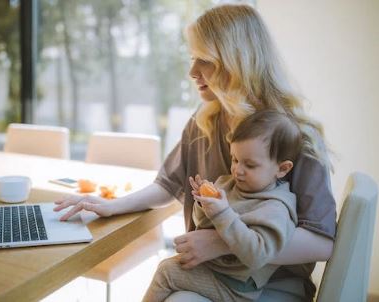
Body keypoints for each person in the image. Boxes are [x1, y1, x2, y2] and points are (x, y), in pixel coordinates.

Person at [53, 4, 336, 301]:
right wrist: (112, 206)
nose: (192, 72)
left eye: (205, 60)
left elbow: (321, 242)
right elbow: (166, 186)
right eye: (192, 59)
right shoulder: (204, 121)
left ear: (237, 62)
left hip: (271, 284)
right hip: (212, 270)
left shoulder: (295, 136)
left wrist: (223, 241)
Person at [142, 110, 301, 302]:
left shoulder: (275, 208)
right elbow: (201, 223)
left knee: (167, 272)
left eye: (250, 165)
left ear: (282, 169)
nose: (237, 170)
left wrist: (223, 213)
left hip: (236, 287)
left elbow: (257, 255)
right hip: (214, 270)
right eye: (235, 159)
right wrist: (203, 204)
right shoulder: (228, 184)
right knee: (169, 266)